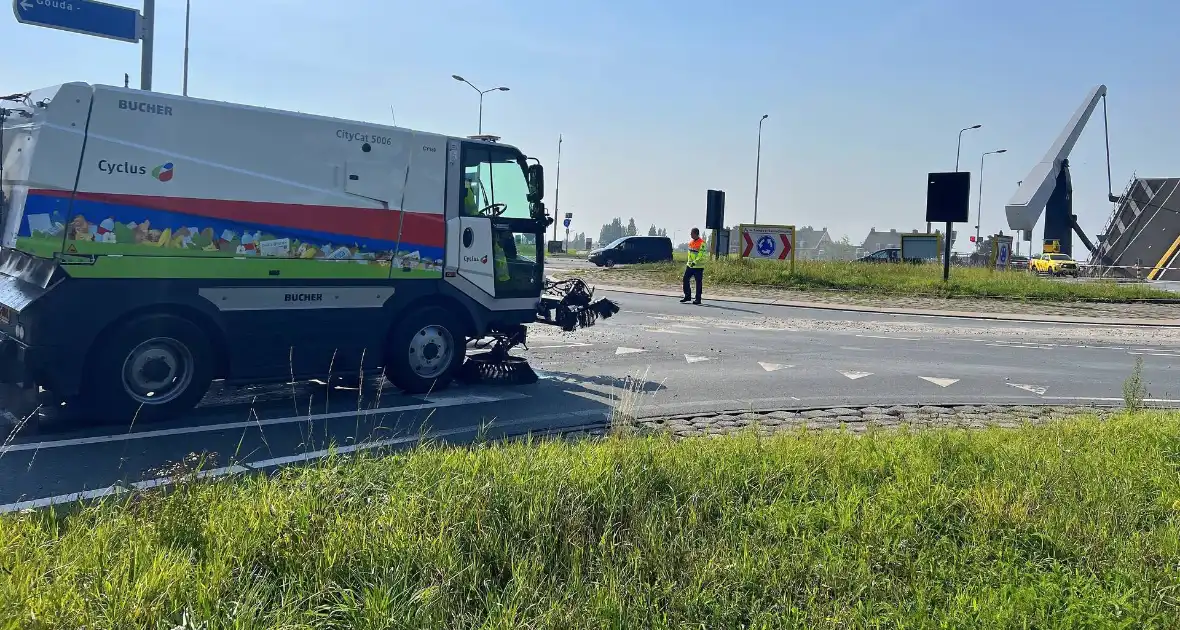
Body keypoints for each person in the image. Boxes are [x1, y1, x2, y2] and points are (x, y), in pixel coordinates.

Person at [682, 227, 706, 304]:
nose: (690, 235)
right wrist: (689, 263)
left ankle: (698, 299)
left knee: (698, 283)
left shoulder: (702, 243)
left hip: (698, 266)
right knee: (685, 279)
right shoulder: (691, 242)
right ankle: (687, 296)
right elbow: (690, 254)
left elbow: (701, 255)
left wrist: (695, 262)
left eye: (691, 233)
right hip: (689, 266)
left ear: (696, 234)